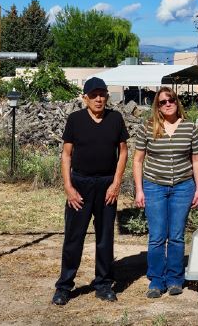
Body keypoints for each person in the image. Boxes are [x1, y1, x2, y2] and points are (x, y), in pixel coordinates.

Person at [52, 77, 129, 306]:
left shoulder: (115, 118)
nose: (99, 99)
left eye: (102, 94)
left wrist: (116, 183)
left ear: (107, 96)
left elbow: (123, 152)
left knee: (105, 237)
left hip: (106, 185)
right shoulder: (75, 120)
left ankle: (103, 284)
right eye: (94, 95)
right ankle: (64, 286)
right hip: (80, 184)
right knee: (74, 237)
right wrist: (69, 188)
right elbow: (66, 155)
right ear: (85, 98)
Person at [133, 86, 198, 298]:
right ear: (158, 106)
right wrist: (139, 189)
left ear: (177, 101)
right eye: (162, 102)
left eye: (171, 99)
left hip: (183, 186)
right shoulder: (148, 127)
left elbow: (197, 160)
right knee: (156, 236)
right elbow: (137, 160)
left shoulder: (190, 128)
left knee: (176, 235)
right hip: (154, 185)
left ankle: (174, 279)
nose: (168, 104)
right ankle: (156, 280)